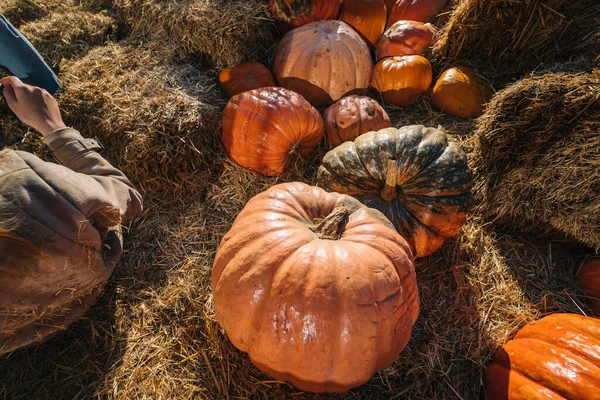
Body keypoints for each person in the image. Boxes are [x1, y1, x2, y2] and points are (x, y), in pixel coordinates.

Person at [0, 76, 143, 355]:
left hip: (21, 333)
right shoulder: (18, 186)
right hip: (87, 278)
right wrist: (54, 128)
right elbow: (126, 197)